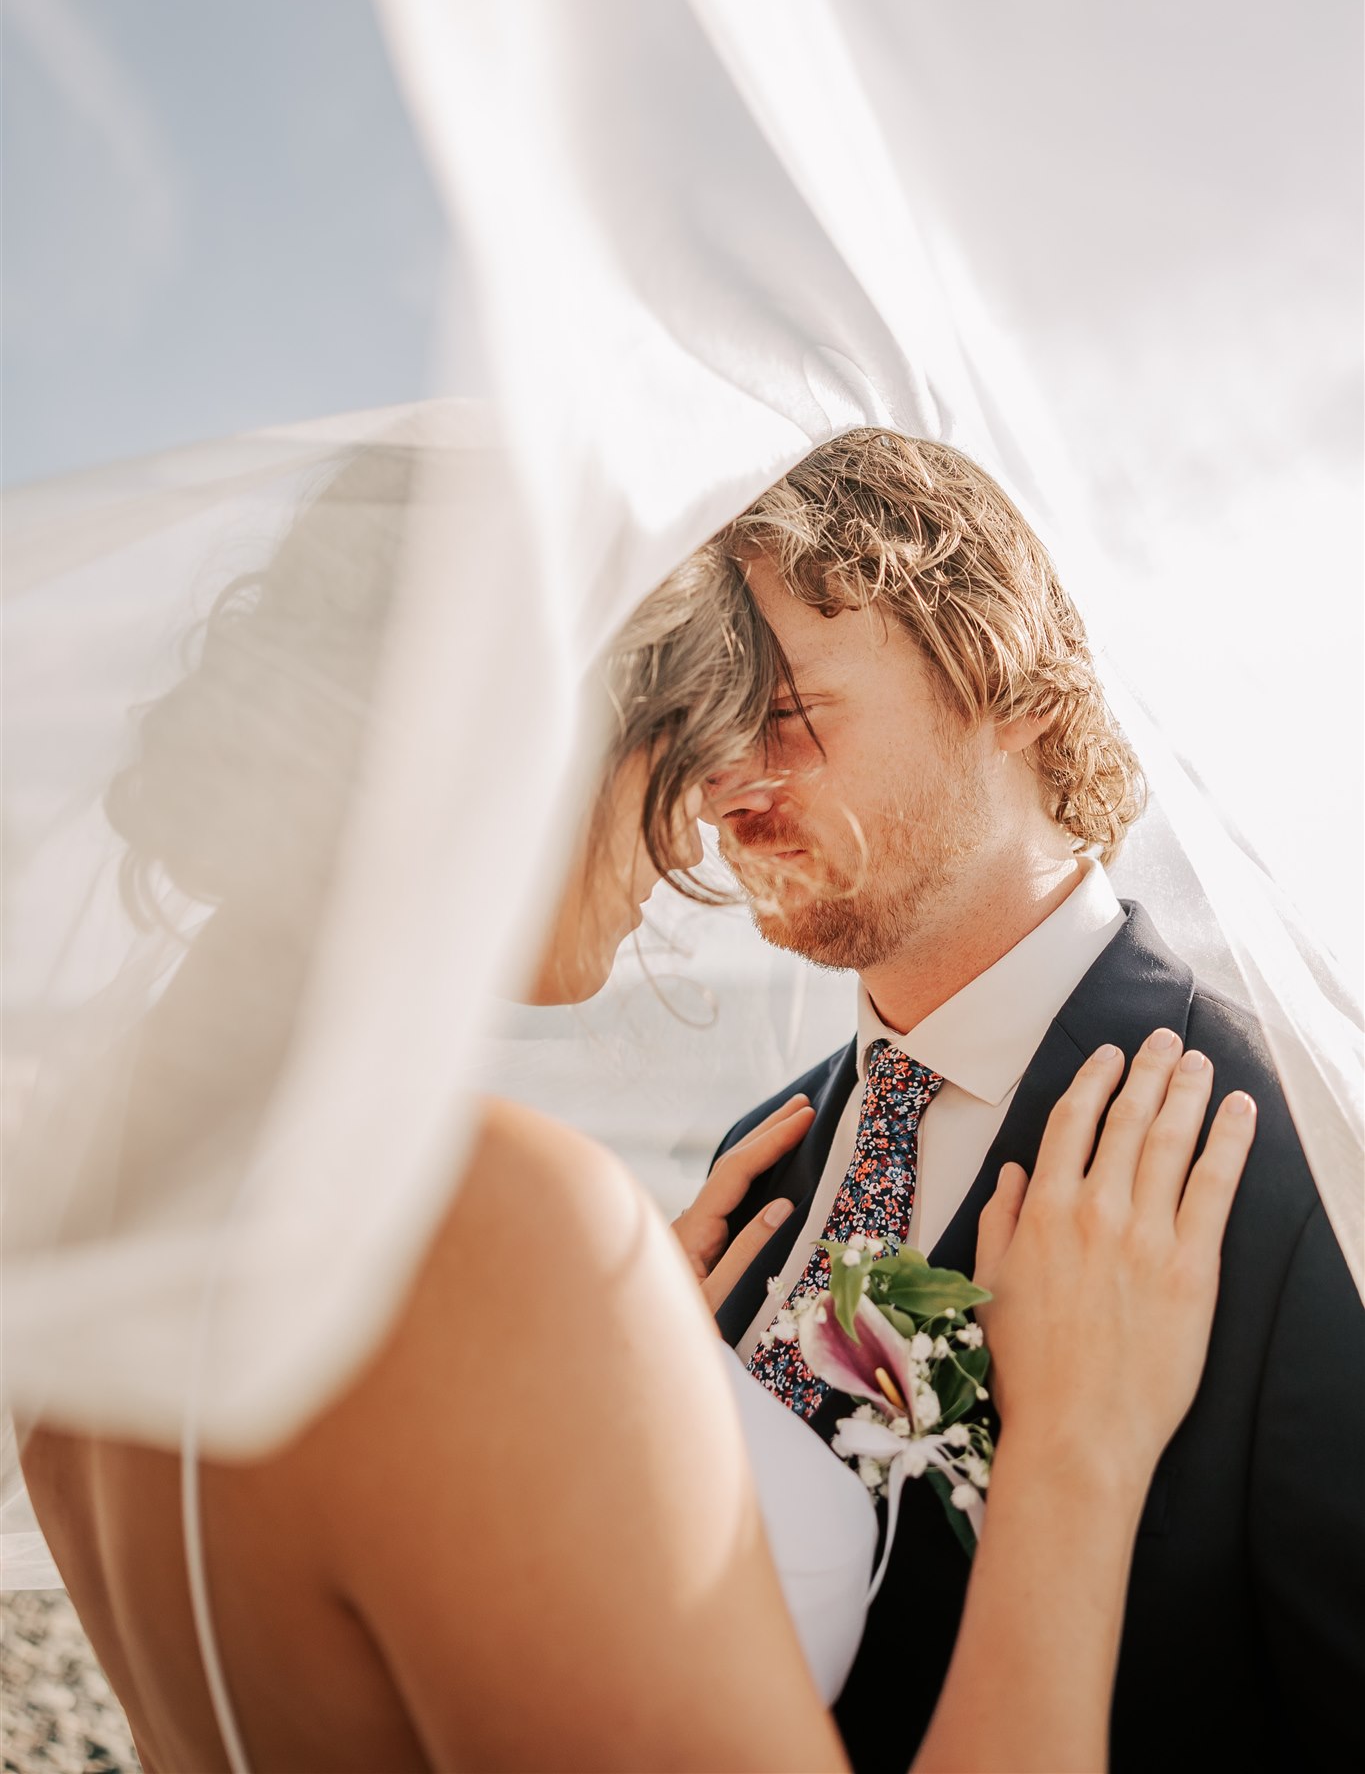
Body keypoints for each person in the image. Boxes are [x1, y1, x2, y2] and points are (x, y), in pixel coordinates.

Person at [19, 461, 1254, 1773]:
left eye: (782, 713)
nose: (701, 819)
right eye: (689, 734)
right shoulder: (495, 1237)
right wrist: (1073, 1460)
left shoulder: (98, 1173)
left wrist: (611, 1380)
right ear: (532, 751)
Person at [703, 429, 1365, 1774]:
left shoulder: (1290, 1148)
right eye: (698, 728)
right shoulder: (752, 1169)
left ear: (1000, 681)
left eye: (781, 711)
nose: (723, 785)